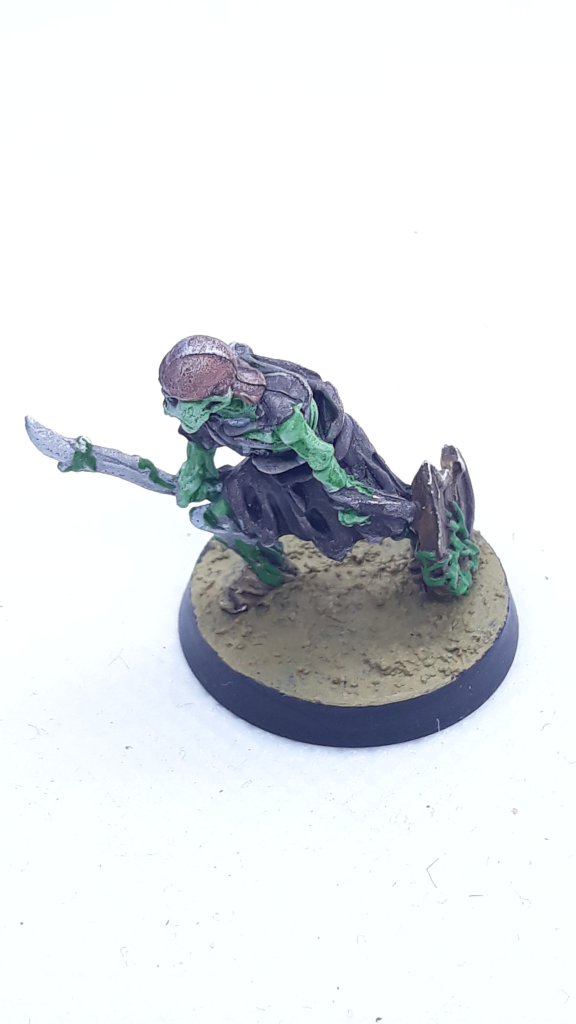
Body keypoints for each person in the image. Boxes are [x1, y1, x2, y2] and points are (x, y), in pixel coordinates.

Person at [159, 335, 478, 612]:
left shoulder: (279, 409)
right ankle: (268, 571)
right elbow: (200, 442)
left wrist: (347, 494)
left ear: (218, 397)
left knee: (377, 518)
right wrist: (194, 473)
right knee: (223, 515)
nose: (170, 407)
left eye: (178, 401)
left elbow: (320, 455)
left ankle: (424, 539)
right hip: (269, 470)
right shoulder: (209, 411)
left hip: (334, 459)